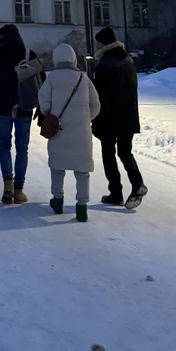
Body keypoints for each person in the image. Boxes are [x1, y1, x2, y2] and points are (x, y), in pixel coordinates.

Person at [39, 42, 101, 222]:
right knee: (82, 171)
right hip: (81, 132)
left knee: (58, 168)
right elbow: (96, 104)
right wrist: (84, 119)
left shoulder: (51, 78)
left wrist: (51, 114)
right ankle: (82, 206)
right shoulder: (83, 79)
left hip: (59, 130)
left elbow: (44, 104)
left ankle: (57, 200)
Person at [0, 24, 40, 205]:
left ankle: (7, 185)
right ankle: (19, 190)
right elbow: (40, 78)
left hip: (2, 106)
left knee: (4, 145)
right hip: (24, 106)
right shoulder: (29, 54)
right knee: (22, 148)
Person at [92, 26, 147, 210]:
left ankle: (116, 192)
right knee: (125, 152)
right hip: (128, 115)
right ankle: (137, 183)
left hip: (108, 117)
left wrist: (96, 118)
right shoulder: (128, 61)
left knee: (108, 153)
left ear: (103, 43)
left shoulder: (104, 65)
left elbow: (100, 94)